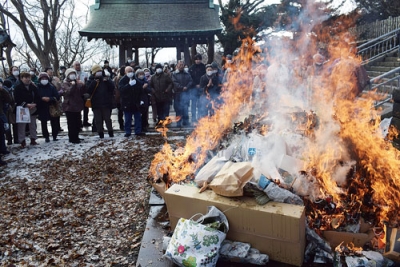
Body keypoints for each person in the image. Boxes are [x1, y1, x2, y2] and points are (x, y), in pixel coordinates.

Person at [86, 64, 115, 139]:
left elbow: (112, 88)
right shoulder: (91, 81)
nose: (99, 72)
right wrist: (94, 82)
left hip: (106, 103)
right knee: (98, 120)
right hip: (96, 103)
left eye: (100, 71)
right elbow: (88, 90)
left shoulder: (106, 79)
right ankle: (100, 133)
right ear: (93, 73)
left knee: (108, 119)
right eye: (97, 71)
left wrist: (107, 81)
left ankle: (110, 132)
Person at [13, 72, 40, 148]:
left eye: (29, 77)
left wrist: (35, 104)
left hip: (33, 107)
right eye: (25, 78)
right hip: (22, 108)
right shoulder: (18, 87)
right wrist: (25, 104)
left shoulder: (33, 87)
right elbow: (17, 99)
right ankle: (22, 140)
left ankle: (33, 139)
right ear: (21, 78)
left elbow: (38, 96)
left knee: (33, 124)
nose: (27, 79)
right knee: (22, 125)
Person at [119, 67, 147, 137]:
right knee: (128, 119)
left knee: (138, 118)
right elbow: (121, 90)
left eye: (131, 71)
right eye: (128, 71)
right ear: (125, 72)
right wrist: (128, 85)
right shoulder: (122, 80)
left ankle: (138, 131)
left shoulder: (136, 80)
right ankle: (128, 131)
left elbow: (141, 90)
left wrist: (141, 100)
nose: (130, 72)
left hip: (136, 103)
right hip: (127, 103)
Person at [60, 68, 86, 144]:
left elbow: (82, 92)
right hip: (69, 106)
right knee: (72, 123)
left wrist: (83, 85)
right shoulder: (65, 83)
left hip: (77, 106)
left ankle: (76, 136)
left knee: (78, 123)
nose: (73, 75)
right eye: (71, 74)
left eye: (74, 74)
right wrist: (73, 85)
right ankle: (72, 138)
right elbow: (69, 92)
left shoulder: (77, 82)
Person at [36, 72, 60, 142]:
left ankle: (54, 136)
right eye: (42, 78)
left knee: (54, 122)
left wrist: (50, 98)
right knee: (43, 123)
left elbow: (57, 96)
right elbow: (36, 97)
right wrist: (41, 99)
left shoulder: (52, 87)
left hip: (51, 106)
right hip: (42, 107)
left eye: (45, 78)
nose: (44, 80)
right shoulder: (37, 88)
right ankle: (46, 136)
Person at [172, 60, 193, 127]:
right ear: (177, 65)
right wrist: (181, 87)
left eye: (182, 65)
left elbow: (190, 81)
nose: (181, 66)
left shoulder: (187, 73)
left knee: (185, 108)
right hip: (177, 93)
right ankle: (178, 122)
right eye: (180, 65)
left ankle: (185, 121)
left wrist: (187, 87)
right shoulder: (174, 74)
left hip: (186, 93)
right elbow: (174, 82)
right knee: (178, 108)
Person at [188, 54, 206, 124]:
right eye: (196, 59)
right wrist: (195, 84)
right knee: (193, 104)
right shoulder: (191, 68)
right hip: (193, 88)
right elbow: (190, 78)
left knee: (201, 103)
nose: (198, 61)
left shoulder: (203, 67)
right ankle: (193, 118)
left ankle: (200, 117)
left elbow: (205, 77)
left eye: (199, 59)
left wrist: (201, 84)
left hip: (202, 88)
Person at [72, 61, 91, 127]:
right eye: (76, 65)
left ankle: (85, 121)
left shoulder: (85, 74)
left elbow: (88, 83)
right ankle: (79, 122)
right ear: (73, 66)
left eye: (78, 65)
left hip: (84, 92)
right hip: (76, 93)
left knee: (86, 108)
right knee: (78, 108)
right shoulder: (72, 74)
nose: (77, 66)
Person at [0, 78, 12, 162]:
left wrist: (3, 90)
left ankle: (2, 148)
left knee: (2, 133)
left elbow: (9, 100)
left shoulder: (2, 91)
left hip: (0, 114)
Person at [113, 66, 126, 131]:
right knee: (121, 112)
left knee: (121, 112)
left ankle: (122, 124)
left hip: (119, 97)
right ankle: (121, 124)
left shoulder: (116, 78)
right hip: (120, 97)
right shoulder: (118, 79)